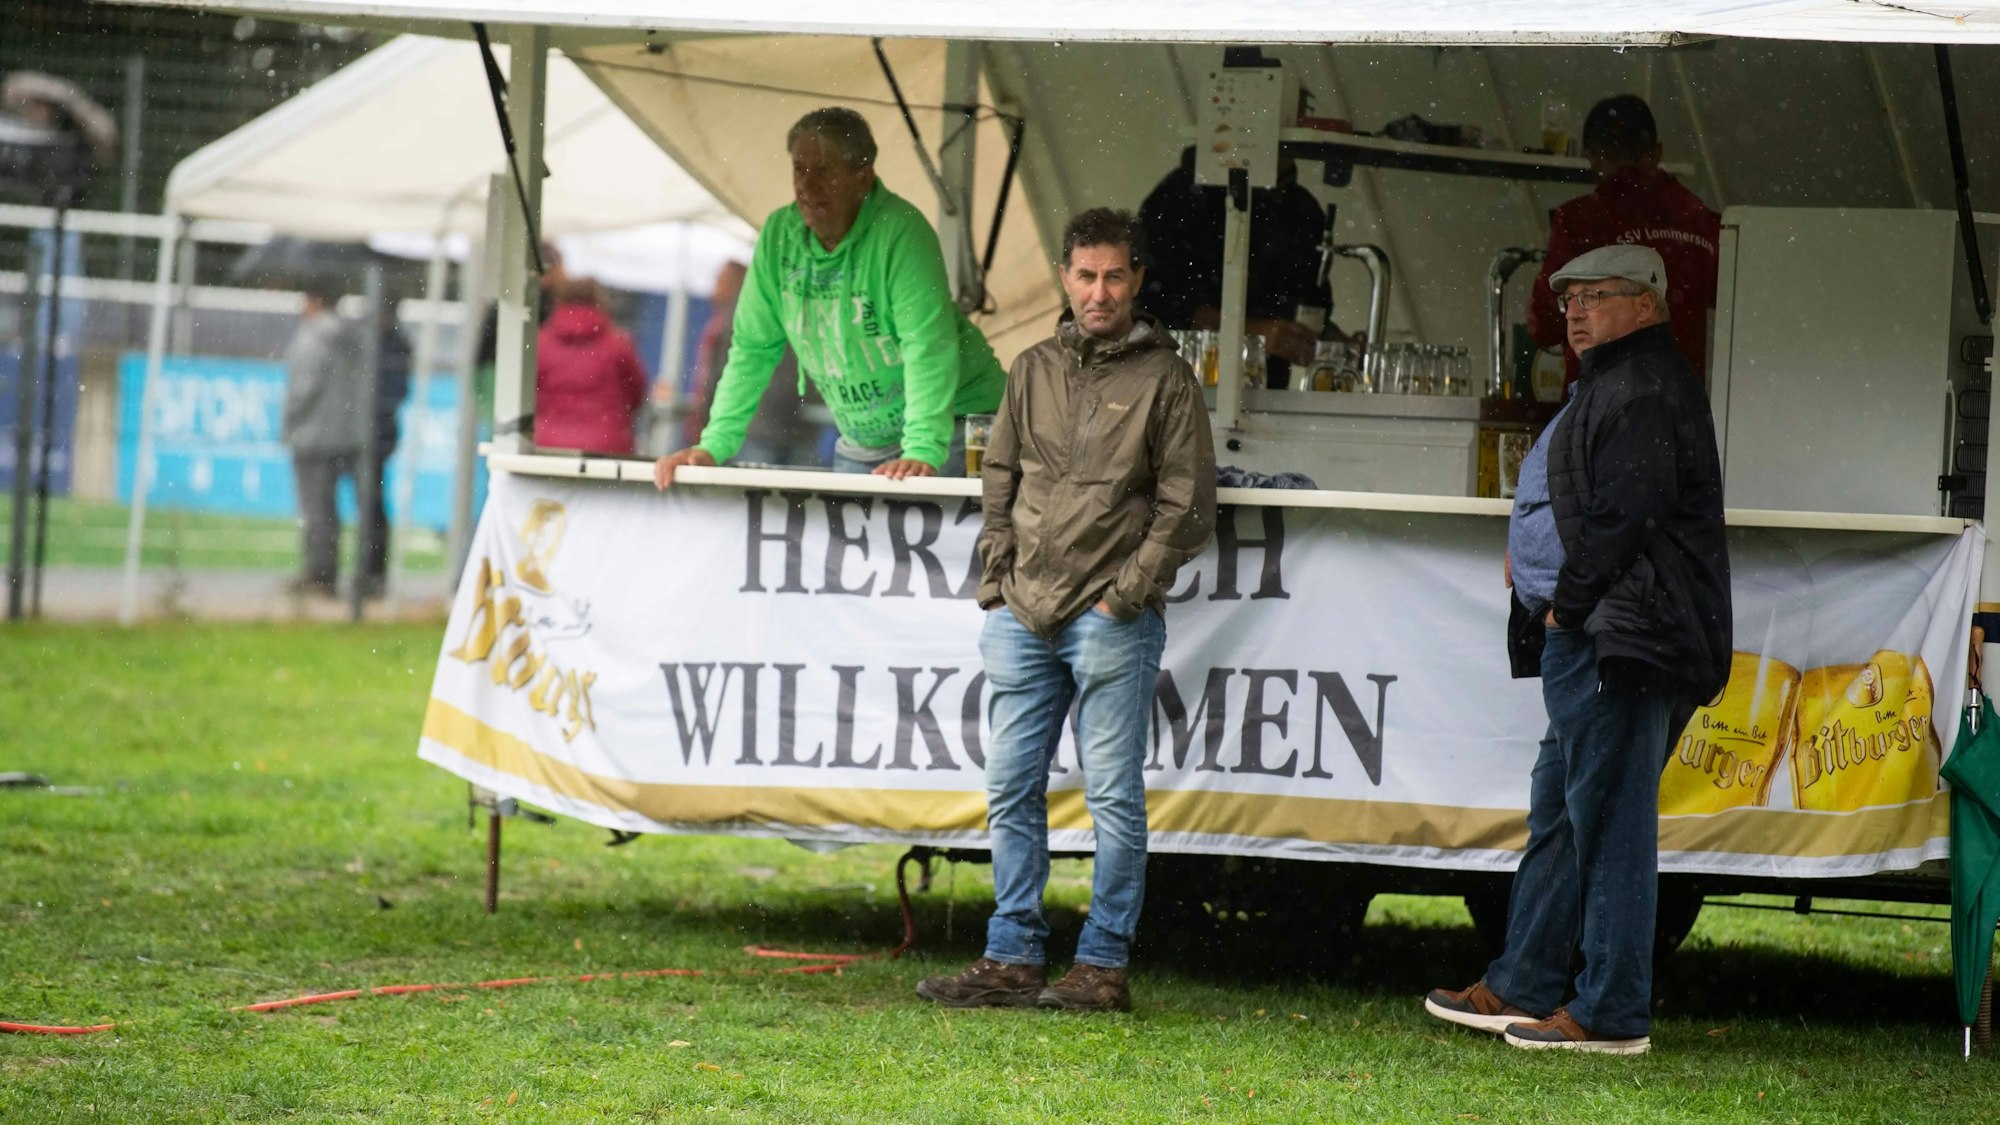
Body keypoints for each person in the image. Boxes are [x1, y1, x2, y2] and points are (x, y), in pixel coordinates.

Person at [1424, 245, 1731, 1055]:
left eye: (1598, 295)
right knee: (1563, 816)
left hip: (1620, 640)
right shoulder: (1617, 383)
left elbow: (1625, 515)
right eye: (1569, 299)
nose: (1578, 310)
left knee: (1610, 825)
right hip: (1604, 634)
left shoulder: (1643, 387)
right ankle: (1521, 979)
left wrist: (1566, 602)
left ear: (1649, 305)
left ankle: (1611, 1009)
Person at [916, 208, 1217, 1013]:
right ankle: (1011, 954)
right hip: (1022, 610)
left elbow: (1189, 506)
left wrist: (1128, 590)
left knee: (1111, 793)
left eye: (1115, 275)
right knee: (1011, 786)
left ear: (1138, 281)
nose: (1099, 291)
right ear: (1064, 276)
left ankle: (1102, 966)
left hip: (1109, 614)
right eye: (1086, 275)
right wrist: (997, 577)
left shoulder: (1168, 379)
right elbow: (1000, 475)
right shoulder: (1032, 367)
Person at [652, 107, 1005, 488]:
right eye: (799, 170)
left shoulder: (901, 232)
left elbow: (927, 345)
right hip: (867, 440)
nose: (807, 184)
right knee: (850, 548)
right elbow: (753, 348)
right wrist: (714, 445)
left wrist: (921, 449)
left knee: (969, 546)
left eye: (823, 170)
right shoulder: (779, 235)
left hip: (957, 422)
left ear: (862, 176)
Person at [1528, 95, 1720, 392]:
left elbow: (1544, 325)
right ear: (1657, 153)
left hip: (1604, 405)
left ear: (1593, 156)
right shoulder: (1707, 224)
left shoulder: (1580, 222)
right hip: (1685, 403)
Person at [1137, 146, 1332, 388]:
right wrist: (1255, 333)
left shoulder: (1302, 208)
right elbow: (1154, 304)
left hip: (1267, 395)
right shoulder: (1180, 194)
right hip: (1183, 390)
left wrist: (1333, 342)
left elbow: (1309, 301)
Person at [678, 261, 825, 466]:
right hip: (799, 424)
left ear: (732, 284)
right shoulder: (785, 307)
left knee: (753, 494)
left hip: (756, 427)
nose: (714, 290)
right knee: (798, 493)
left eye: (719, 281)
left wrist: (705, 425)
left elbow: (719, 374)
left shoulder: (736, 319)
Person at [281, 278, 369, 598]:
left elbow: (302, 390)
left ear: (315, 301)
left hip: (311, 436)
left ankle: (319, 575)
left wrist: (288, 424)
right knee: (330, 510)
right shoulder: (352, 338)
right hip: (345, 435)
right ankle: (330, 572)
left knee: (314, 510)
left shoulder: (311, 339)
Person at [533, 277, 648, 456]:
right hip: (607, 444)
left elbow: (529, 392)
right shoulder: (618, 344)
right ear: (598, 300)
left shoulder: (540, 344)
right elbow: (637, 393)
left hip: (549, 443)